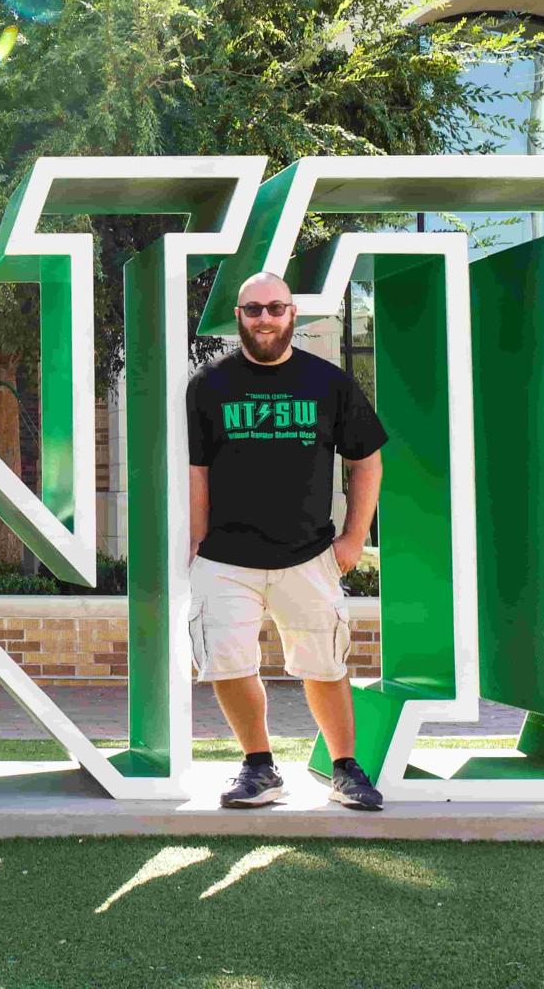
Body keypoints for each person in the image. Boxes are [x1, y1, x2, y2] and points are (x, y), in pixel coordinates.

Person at [187, 271, 387, 811]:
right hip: (226, 558)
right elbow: (197, 470)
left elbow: (367, 461)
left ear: (292, 314)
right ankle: (259, 767)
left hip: (309, 554)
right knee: (228, 664)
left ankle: (345, 769)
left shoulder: (329, 382)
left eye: (275, 308)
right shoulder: (209, 384)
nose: (265, 318)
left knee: (325, 665)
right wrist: (196, 542)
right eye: (253, 309)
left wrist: (354, 537)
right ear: (239, 317)